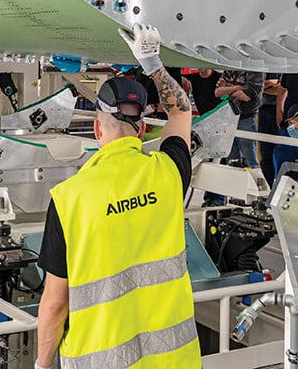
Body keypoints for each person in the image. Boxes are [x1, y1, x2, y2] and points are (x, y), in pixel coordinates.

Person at [35, 24, 201, 369]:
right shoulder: (168, 173)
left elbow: (54, 304)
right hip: (175, 361)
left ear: (97, 130)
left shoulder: (70, 199)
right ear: (141, 129)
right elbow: (182, 111)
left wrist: (41, 362)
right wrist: (152, 63)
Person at [214, 69, 264, 168]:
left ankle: (254, 181)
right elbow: (217, 92)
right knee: (231, 159)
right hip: (229, 117)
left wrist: (227, 89)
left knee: (250, 159)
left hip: (246, 117)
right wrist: (237, 87)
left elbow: (246, 96)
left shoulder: (255, 70)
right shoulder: (229, 68)